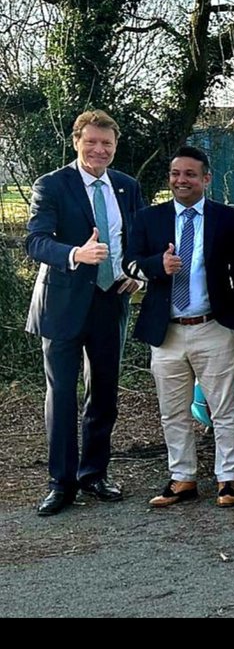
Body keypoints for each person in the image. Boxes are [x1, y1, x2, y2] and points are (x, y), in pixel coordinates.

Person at [25, 110, 145, 516]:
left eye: (106, 143)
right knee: (62, 395)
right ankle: (61, 483)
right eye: (91, 142)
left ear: (115, 146)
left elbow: (139, 240)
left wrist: (138, 274)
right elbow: (36, 241)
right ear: (77, 141)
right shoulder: (52, 185)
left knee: (104, 392)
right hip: (62, 303)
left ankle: (94, 474)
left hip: (111, 301)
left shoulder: (127, 186)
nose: (99, 150)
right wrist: (76, 253)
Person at [127, 146, 234, 506]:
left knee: (223, 409)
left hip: (213, 327)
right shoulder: (148, 218)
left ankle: (227, 479)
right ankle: (183, 478)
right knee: (173, 411)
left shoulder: (227, 218)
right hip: (166, 331)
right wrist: (157, 265)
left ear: (206, 178)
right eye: (175, 174)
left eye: (190, 174)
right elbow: (130, 263)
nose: (181, 180)